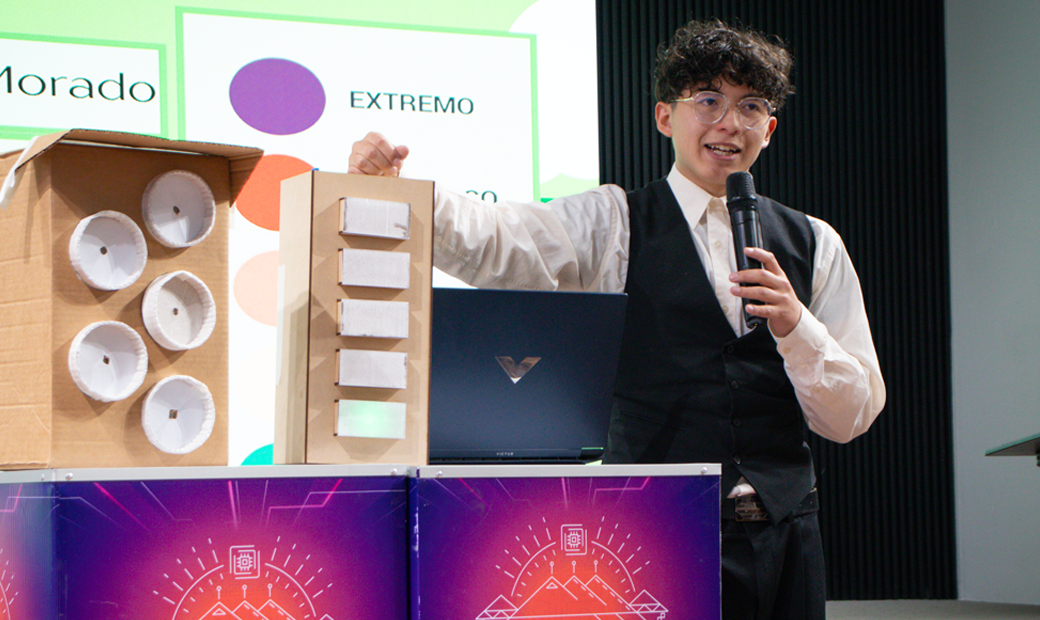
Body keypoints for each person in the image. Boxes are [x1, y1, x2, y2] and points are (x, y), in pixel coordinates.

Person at [348, 18, 884, 620]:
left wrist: (797, 327)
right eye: (708, 100)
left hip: (789, 536)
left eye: (750, 106)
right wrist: (400, 192)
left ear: (770, 128)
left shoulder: (816, 241)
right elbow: (499, 241)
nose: (729, 123)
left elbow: (852, 414)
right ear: (665, 117)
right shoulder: (614, 223)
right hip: (655, 531)